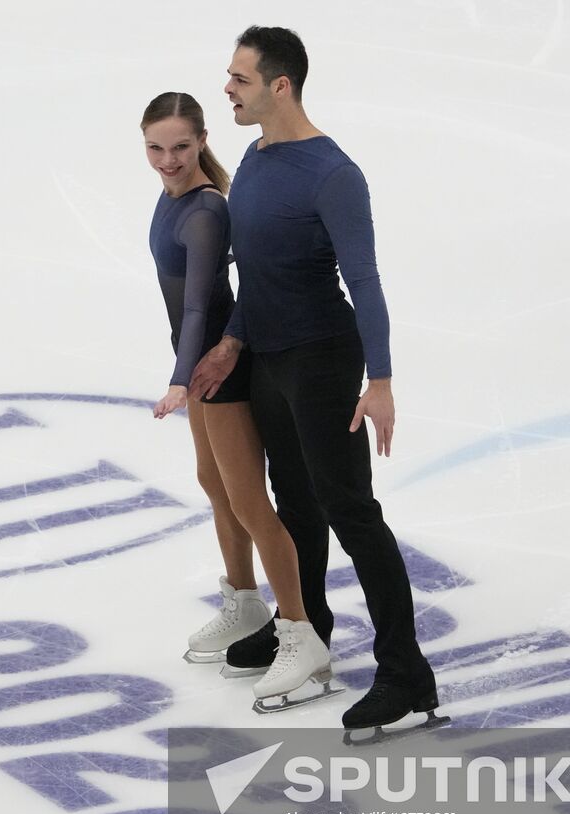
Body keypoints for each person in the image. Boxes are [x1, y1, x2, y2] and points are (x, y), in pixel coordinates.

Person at [188, 27, 443, 731]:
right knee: (293, 505)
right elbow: (260, 272)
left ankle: (407, 676)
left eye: (240, 79)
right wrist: (234, 342)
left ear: (280, 86)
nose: (228, 90)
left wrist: (382, 379)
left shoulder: (333, 174)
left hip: (324, 359)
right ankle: (309, 632)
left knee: (350, 511)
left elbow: (363, 279)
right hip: (268, 356)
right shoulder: (256, 157)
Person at [142, 91, 339, 712]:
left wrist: (181, 377)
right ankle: (244, 601)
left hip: (217, 367)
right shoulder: (172, 195)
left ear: (202, 140)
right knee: (214, 484)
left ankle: (301, 633)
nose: (168, 160)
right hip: (199, 365)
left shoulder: (203, 212)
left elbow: (201, 304)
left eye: (180, 146)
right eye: (156, 148)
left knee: (250, 501)